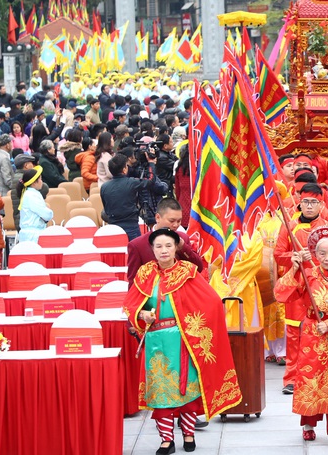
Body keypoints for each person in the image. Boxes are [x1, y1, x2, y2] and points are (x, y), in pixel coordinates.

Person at [123, 228, 242, 455]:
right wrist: (141, 314)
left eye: (168, 245)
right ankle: (166, 440)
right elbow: (131, 303)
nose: (163, 250)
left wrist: (193, 327)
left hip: (183, 340)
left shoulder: (187, 272)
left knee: (187, 391)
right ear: (152, 250)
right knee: (161, 393)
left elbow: (212, 303)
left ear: (176, 247)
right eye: (158, 246)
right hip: (156, 342)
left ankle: (188, 433)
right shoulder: (145, 273)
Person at [274, 227, 328, 450]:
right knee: (311, 380)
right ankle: (308, 424)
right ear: (314, 254)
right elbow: (281, 294)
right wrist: (295, 269)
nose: (327, 258)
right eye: (322, 253)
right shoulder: (308, 275)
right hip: (313, 336)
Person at [274, 183, 328, 395]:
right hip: (297, 286)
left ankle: (320, 374)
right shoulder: (288, 226)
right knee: (295, 333)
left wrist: (316, 259)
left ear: (321, 204)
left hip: (320, 286)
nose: (309, 206)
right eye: (305, 201)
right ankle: (291, 378)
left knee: (320, 331)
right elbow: (279, 254)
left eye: (313, 202)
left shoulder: (327, 229)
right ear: (299, 202)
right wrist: (294, 257)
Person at [127, 198, 204, 286]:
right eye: (171, 221)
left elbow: (198, 268)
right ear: (158, 217)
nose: (176, 225)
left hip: (181, 293)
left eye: (179, 221)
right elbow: (133, 282)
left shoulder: (183, 238)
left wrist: (183, 248)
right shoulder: (137, 245)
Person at [101, 153, 162, 240]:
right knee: (133, 251)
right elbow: (151, 180)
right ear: (124, 169)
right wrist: (151, 163)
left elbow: (106, 207)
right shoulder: (132, 182)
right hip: (131, 226)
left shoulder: (104, 187)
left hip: (113, 226)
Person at [17, 166, 53, 242]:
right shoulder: (32, 196)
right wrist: (50, 213)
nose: (42, 182)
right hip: (33, 236)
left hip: (30, 234)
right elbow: (46, 214)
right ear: (33, 183)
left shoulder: (29, 194)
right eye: (40, 179)